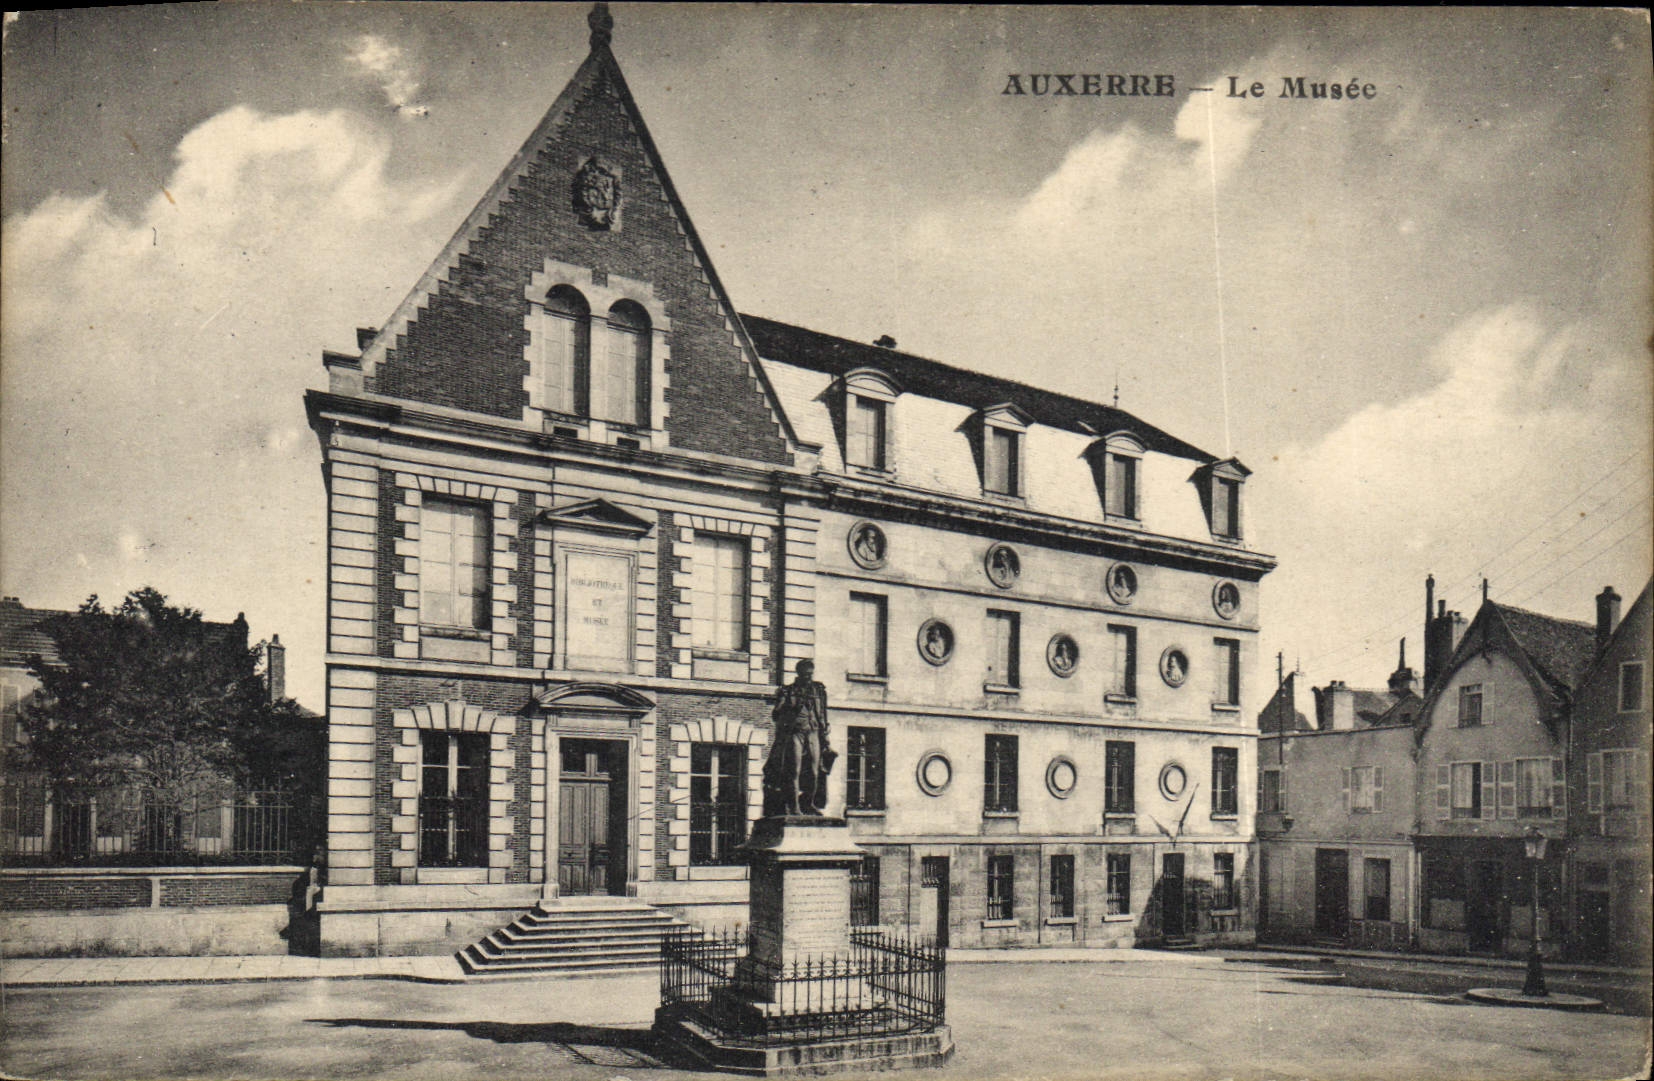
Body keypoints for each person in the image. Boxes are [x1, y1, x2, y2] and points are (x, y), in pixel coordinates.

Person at [763, 659, 834, 816]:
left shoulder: (818, 690)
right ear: (799, 674)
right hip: (796, 732)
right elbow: (776, 715)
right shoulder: (788, 691)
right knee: (794, 770)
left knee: (815, 772)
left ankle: (808, 803)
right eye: (805, 674)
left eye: (810, 674)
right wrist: (784, 704)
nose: (808, 677)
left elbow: (822, 712)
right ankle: (794, 807)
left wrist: (825, 734)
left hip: (814, 732)